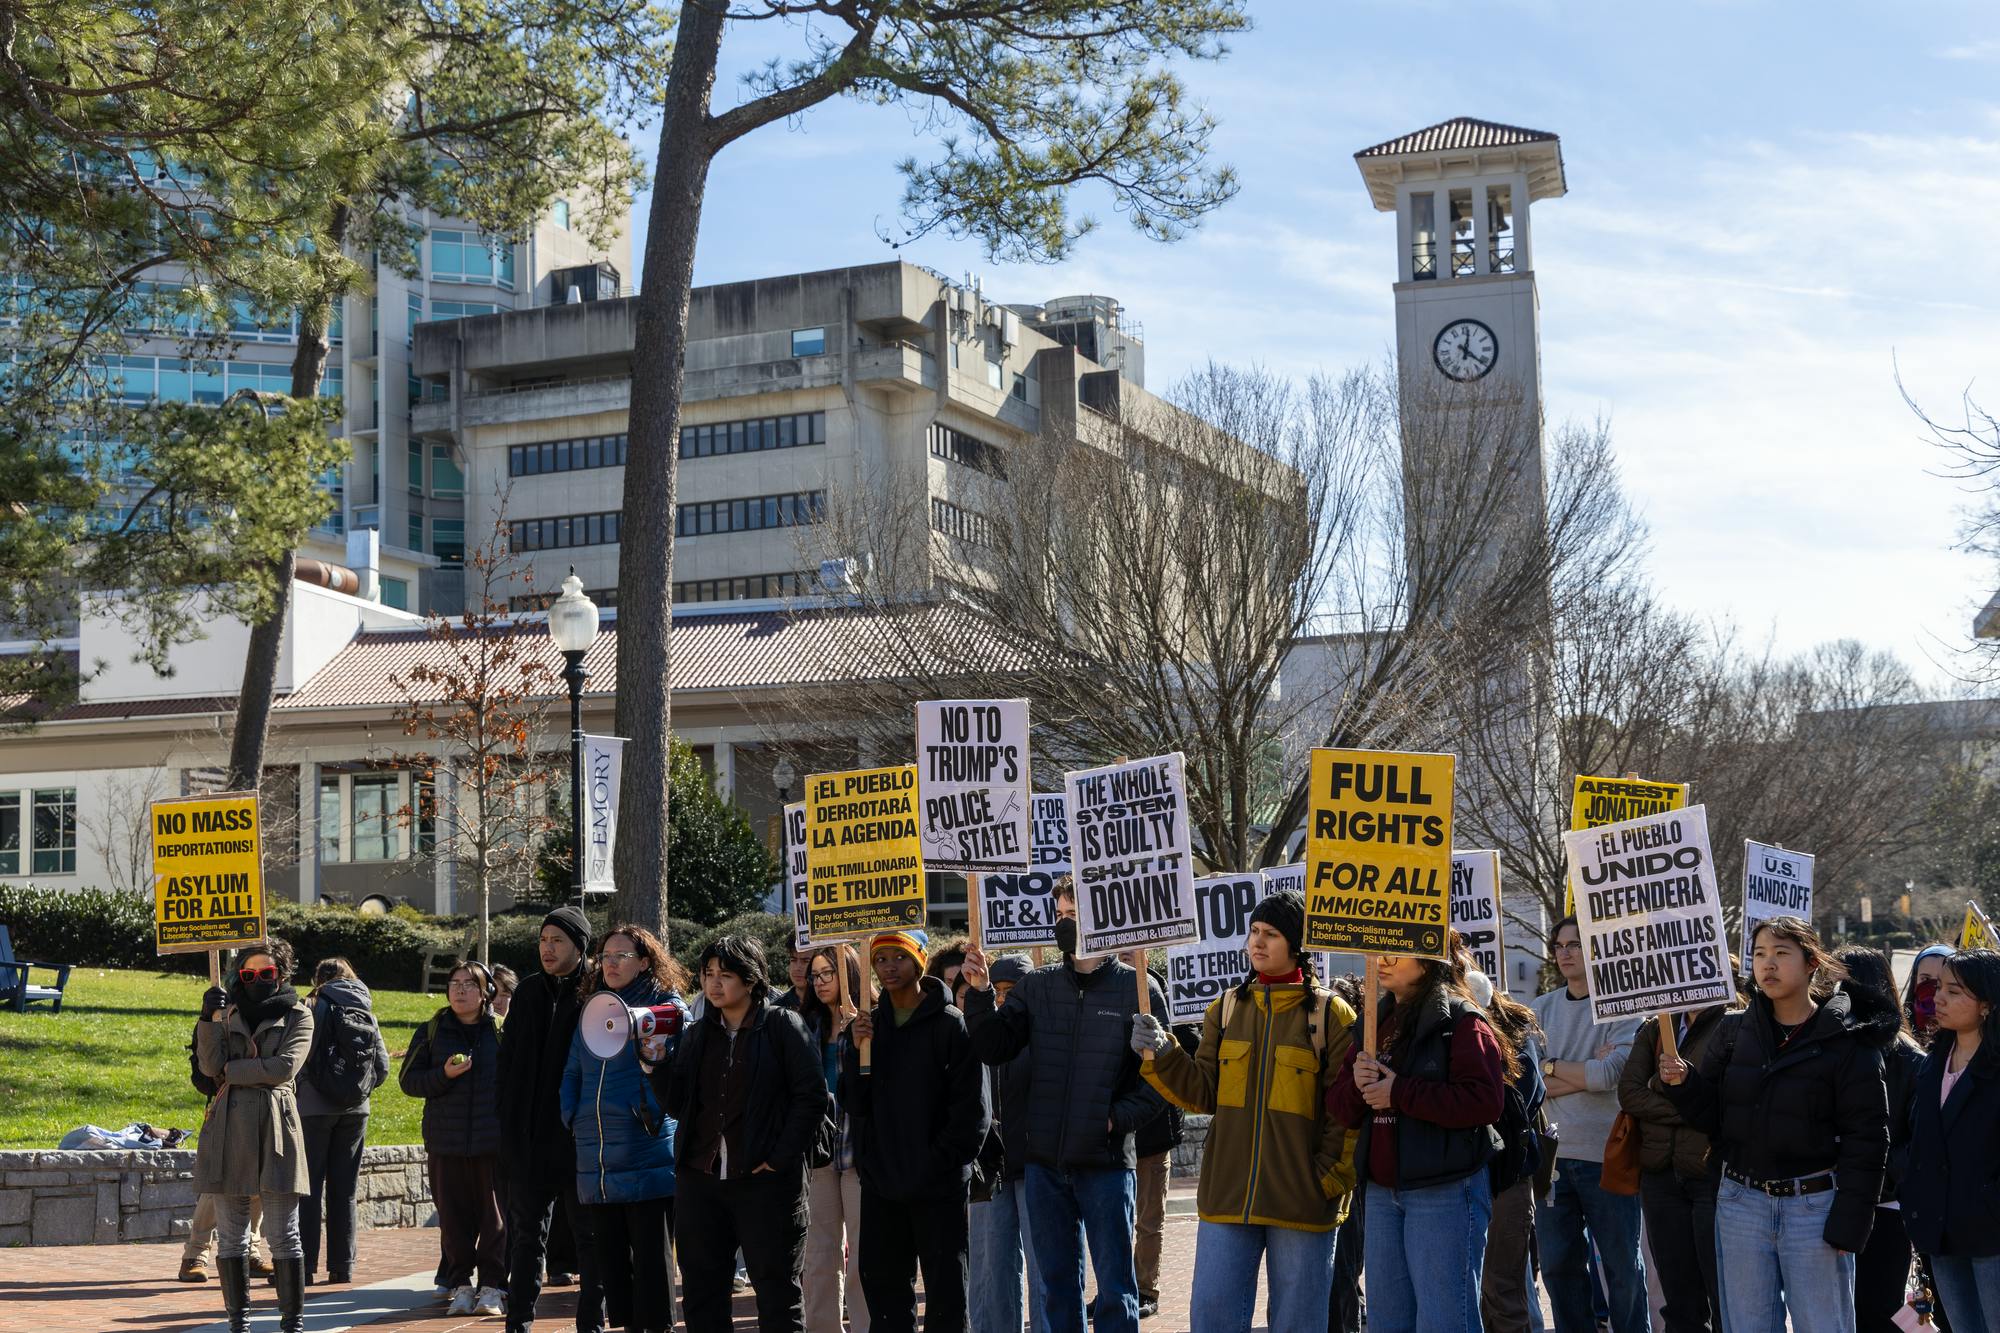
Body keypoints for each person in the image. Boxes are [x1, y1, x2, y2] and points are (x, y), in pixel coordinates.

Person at [1130, 888, 1357, 1333]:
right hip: (1226, 1197)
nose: (1257, 942)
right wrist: (1162, 1053)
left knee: (1298, 1325)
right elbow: (1202, 1093)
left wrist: (1327, 1180)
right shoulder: (1227, 1008)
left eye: (1270, 933)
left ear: (1296, 945)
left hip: (1303, 1202)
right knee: (1212, 1319)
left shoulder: (1332, 1015)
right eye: (1254, 931)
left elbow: (1348, 1115)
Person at [1658, 915, 1893, 1333]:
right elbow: (1711, 1117)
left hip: (1815, 1208)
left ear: (1811, 965)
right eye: (1759, 954)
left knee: (1824, 1324)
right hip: (1740, 1203)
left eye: (1781, 954)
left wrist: (1850, 1221)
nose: (1767, 965)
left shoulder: (1848, 1040)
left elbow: (1868, 1139)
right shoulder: (1733, 1030)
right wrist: (1684, 1083)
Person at [959, 876, 1170, 1333]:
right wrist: (977, 994)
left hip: (1107, 1165)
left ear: (1102, 918)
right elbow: (995, 1047)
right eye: (1059, 916)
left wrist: (1115, 1120)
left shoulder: (1139, 990)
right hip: (1044, 1166)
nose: (1062, 925)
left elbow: (1158, 1085)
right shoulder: (1037, 986)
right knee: (1056, 1287)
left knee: (1116, 1289)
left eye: (1072, 916)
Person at [1328, 937, 1511, 1333]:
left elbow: (1484, 1101)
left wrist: (1400, 1092)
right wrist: (1357, 1086)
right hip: (1380, 1193)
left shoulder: (1462, 1021)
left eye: (1395, 949)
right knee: (1387, 1322)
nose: (1380, 959)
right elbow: (1341, 1109)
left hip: (1444, 1191)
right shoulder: (1371, 1022)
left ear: (1428, 959)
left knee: (1445, 1320)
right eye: (1376, 949)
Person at [658, 933, 827, 1333]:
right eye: (707, 974)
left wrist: (779, 1157)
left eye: (726, 975)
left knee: (777, 1297)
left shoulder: (782, 1025)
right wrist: (654, 1065)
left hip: (766, 1183)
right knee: (702, 1294)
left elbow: (812, 1097)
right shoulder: (698, 1032)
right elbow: (677, 1104)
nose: (714, 983)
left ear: (751, 980)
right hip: (701, 1180)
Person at [845, 929, 990, 1333]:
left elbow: (972, 1115)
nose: (889, 968)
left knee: (945, 1301)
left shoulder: (951, 1025)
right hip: (881, 1187)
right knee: (886, 1301)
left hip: (937, 1188)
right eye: (880, 960)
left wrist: (934, 1164)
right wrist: (855, 1053)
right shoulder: (867, 1028)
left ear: (919, 961)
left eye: (899, 958)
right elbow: (855, 1104)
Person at [561, 925, 691, 1333]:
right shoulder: (594, 1006)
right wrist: (573, 1113)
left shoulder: (667, 1008)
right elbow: (574, 1069)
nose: (610, 963)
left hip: (645, 1150)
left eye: (622, 956)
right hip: (598, 1154)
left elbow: (677, 1076)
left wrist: (649, 1111)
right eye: (605, 956)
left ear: (647, 961)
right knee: (613, 1263)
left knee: (652, 1261)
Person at [1531, 916, 1647, 1333]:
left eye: (1575, 944)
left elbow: (1608, 1076)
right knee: (1559, 1267)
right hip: (1553, 1159)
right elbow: (1532, 1086)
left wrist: (1554, 1068)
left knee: (1622, 1268)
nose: (1564, 952)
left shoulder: (1624, 1007)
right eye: (1559, 944)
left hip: (1607, 1157)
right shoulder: (1540, 1009)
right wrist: (1574, 1069)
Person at [194, 938, 314, 1333]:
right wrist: (207, 1018)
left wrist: (235, 1071)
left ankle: (292, 1322)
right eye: (249, 974)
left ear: (281, 974)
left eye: (267, 973)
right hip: (228, 1127)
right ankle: (238, 1323)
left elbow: (284, 1068)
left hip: (277, 1125)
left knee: (284, 1233)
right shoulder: (225, 1013)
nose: (258, 980)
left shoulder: (300, 1014)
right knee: (231, 1237)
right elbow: (210, 1067)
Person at [497, 904, 606, 1333]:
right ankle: (518, 1322)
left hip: (579, 1140)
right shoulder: (526, 993)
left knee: (589, 1240)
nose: (547, 948)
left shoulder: (596, 995)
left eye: (557, 940)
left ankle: (591, 1324)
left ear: (580, 946)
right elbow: (507, 1066)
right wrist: (507, 1122)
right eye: (543, 940)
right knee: (525, 1239)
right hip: (529, 1141)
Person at [1619, 992, 1735, 1333]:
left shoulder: (1733, 1025)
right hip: (1659, 1177)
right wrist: (1689, 1103)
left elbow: (1726, 1101)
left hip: (1709, 1176)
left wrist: (1668, 1090)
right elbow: (1629, 1094)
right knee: (1679, 1299)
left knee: (1723, 1294)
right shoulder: (1657, 1026)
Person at [402, 959, 508, 1318]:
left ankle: (492, 1287)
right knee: (453, 1219)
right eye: (455, 983)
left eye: (470, 984)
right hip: (445, 1143)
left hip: (491, 1144)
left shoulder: (501, 1031)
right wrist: (443, 1075)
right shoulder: (432, 1029)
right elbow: (409, 1081)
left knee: (496, 1220)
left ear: (486, 993)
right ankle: (461, 1285)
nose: (461, 990)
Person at [1903, 948, 2000, 1331]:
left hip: (1991, 1233)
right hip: (1939, 1230)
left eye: (1955, 991)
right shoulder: (1931, 1062)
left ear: (1987, 1005)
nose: (1937, 998)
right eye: (1938, 987)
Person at [1834, 946, 1926, 1333]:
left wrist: (1867, 1170)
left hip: (1884, 1209)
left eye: (1834, 980)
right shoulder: (1828, 1047)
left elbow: (1918, 1147)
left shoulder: (1910, 1060)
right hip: (1824, 1202)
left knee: (1875, 1316)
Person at [297, 958, 391, 1286]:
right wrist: (358, 1091)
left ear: (317, 978)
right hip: (355, 1111)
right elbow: (382, 1068)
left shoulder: (309, 1005)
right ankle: (342, 1267)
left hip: (313, 1110)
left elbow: (297, 1059)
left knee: (308, 1190)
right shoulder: (365, 1007)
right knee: (345, 1190)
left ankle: (304, 1267)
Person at [966, 953, 1041, 1333]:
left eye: (1012, 991)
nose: (1002, 999)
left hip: (1037, 1165)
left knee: (1046, 1270)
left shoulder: (1045, 1031)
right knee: (991, 1270)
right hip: (990, 1169)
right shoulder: (982, 1032)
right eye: (997, 991)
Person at [799, 942, 869, 1333]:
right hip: (820, 1152)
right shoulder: (805, 1023)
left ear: (849, 972)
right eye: (816, 974)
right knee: (819, 1254)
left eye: (829, 972)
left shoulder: (872, 1016)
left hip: (861, 1150)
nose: (821, 981)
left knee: (862, 1255)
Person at [1472, 972, 1547, 1333]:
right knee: (1468, 1293)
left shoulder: (1514, 1028)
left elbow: (1528, 1094)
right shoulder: (1430, 1019)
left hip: (1507, 1177)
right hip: (1454, 1176)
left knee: (1502, 1291)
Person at [1905, 945, 1955, 1048]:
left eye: (1939, 980)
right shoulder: (1902, 1025)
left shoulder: (1963, 1033)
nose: (1932, 986)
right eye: (1925, 979)